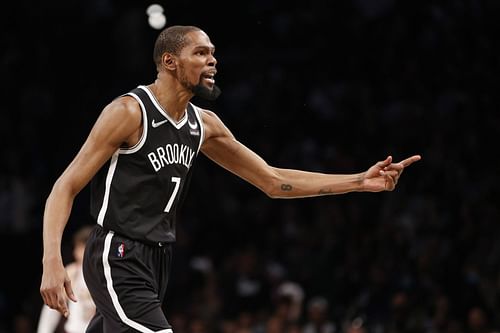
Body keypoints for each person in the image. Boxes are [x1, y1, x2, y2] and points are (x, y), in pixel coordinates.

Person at [40, 25, 421, 332]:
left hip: (158, 258)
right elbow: (66, 185)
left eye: (213, 53)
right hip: (116, 252)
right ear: (170, 61)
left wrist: (358, 181)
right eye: (201, 53)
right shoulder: (129, 112)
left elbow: (272, 180)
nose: (212, 61)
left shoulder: (203, 124)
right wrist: (51, 261)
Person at [37, 225, 95, 333]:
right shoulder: (72, 273)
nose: (75, 253)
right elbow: (53, 308)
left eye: (79, 248)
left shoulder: (104, 274)